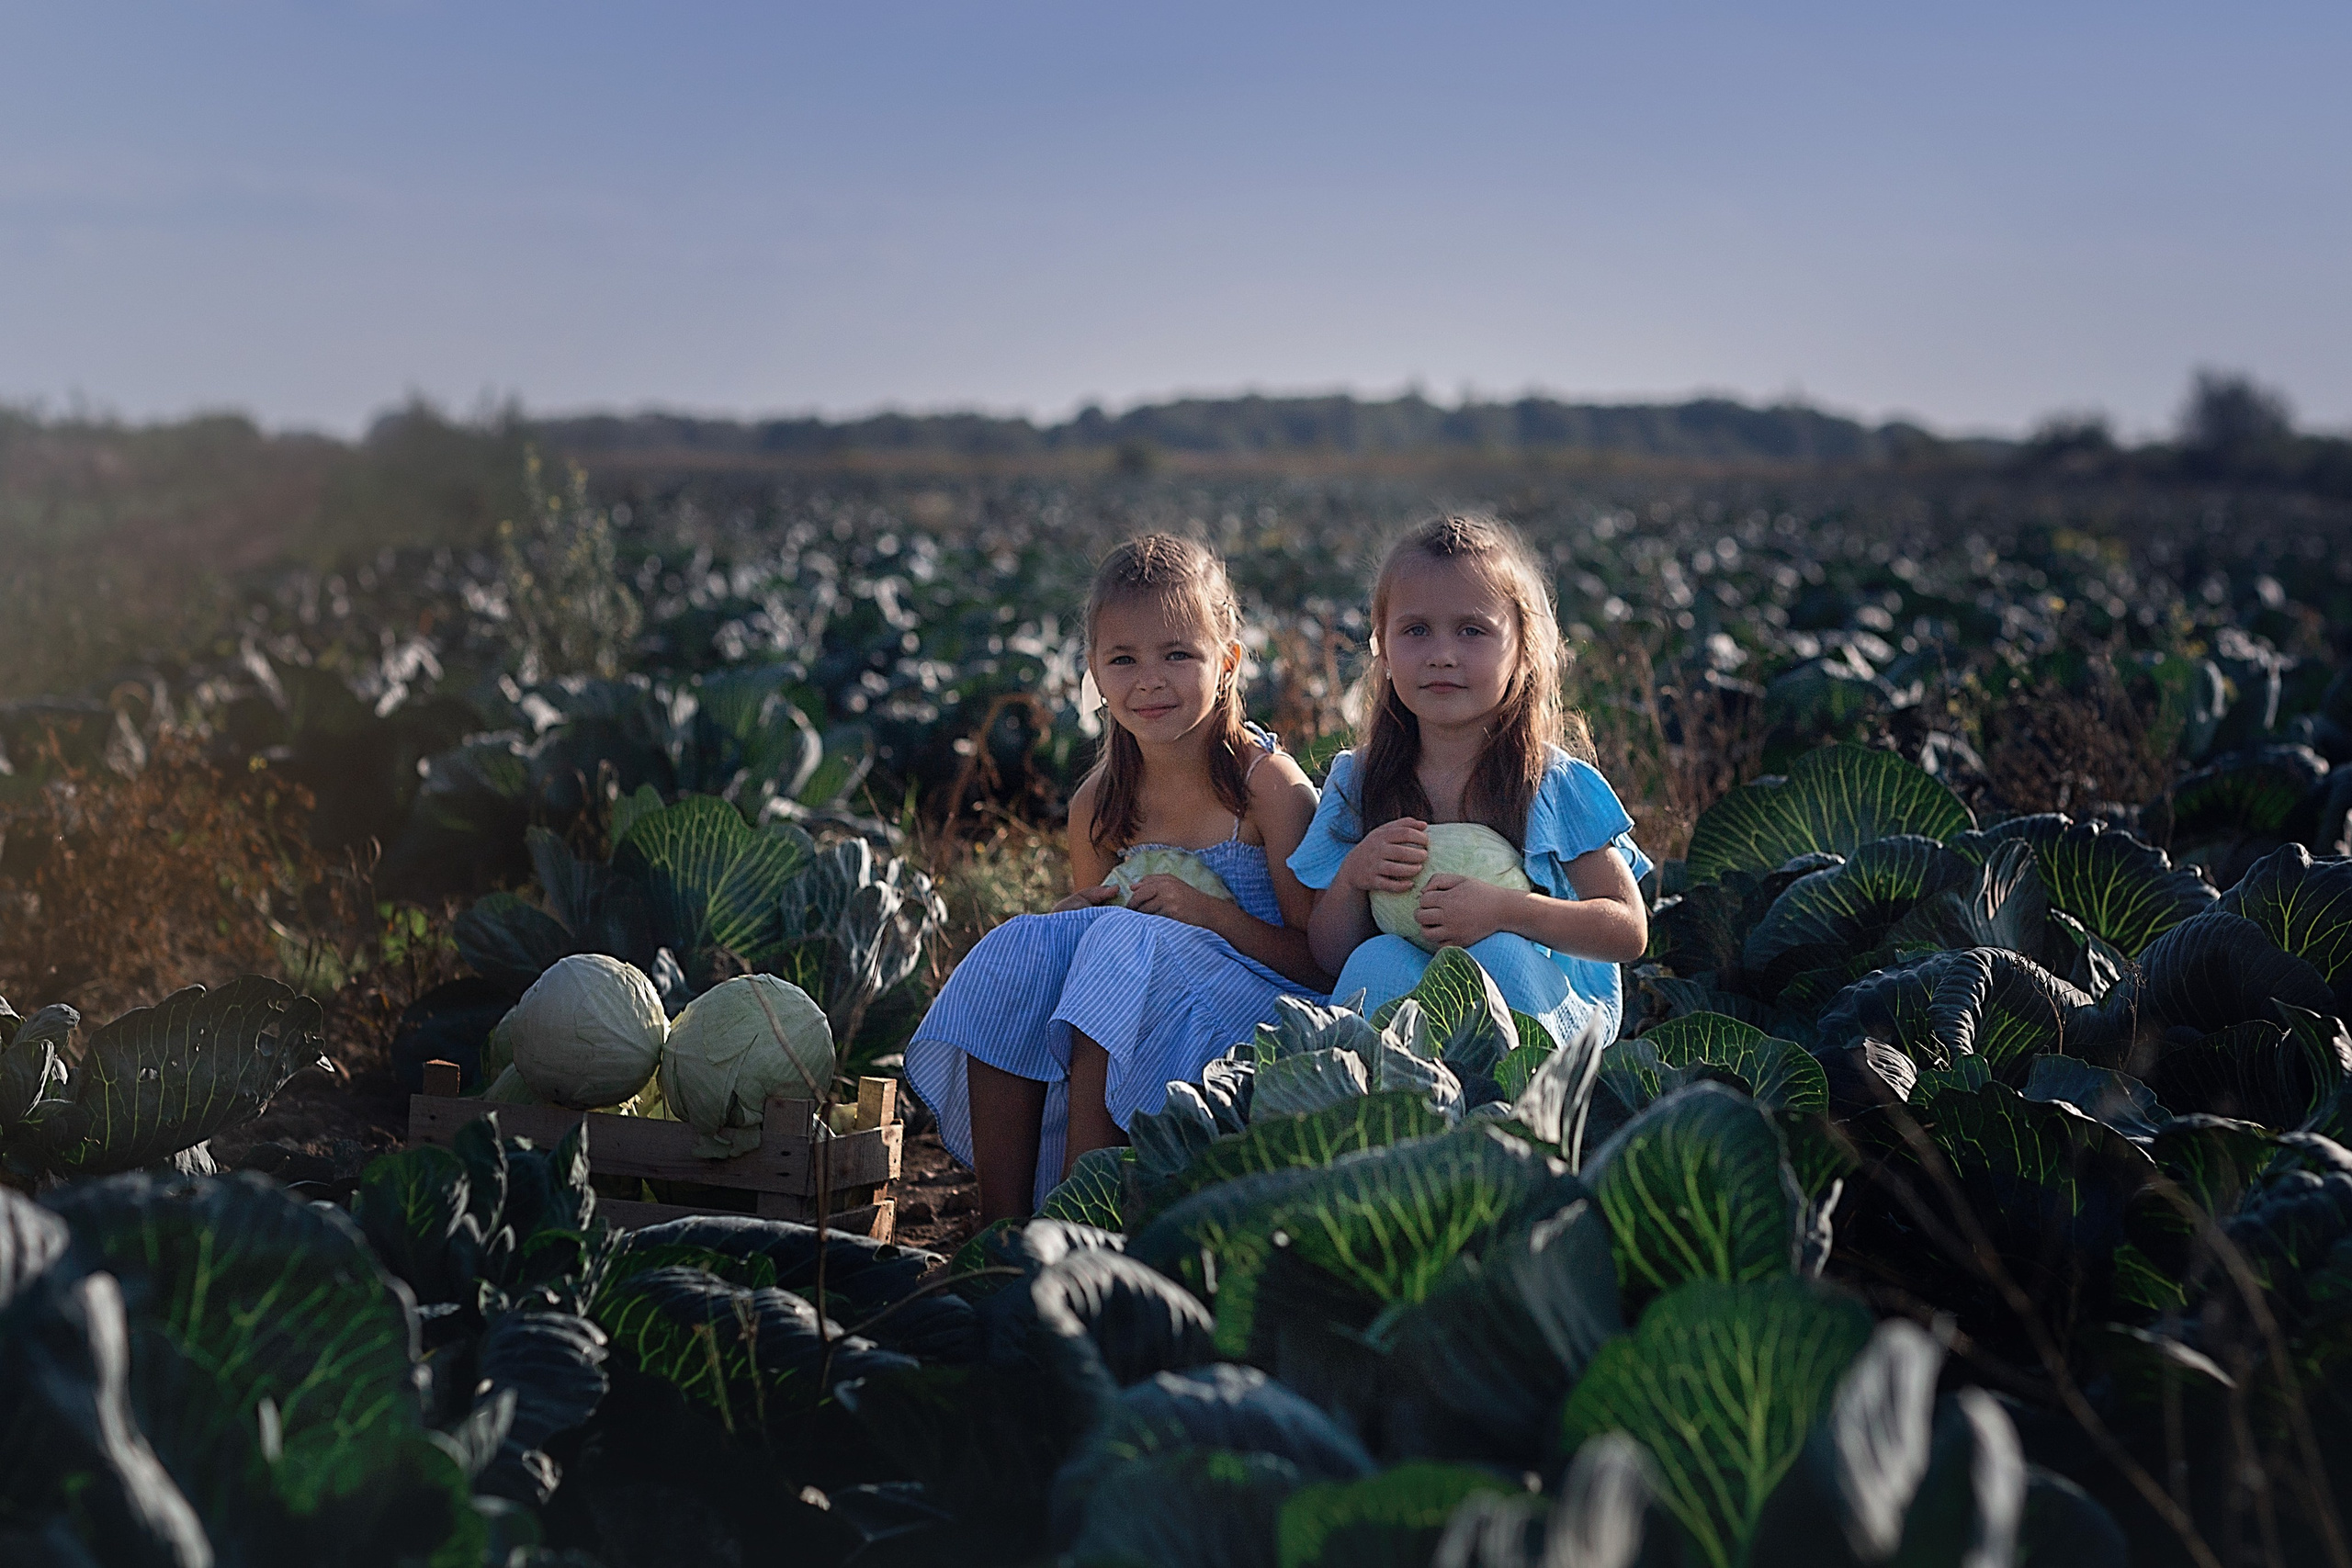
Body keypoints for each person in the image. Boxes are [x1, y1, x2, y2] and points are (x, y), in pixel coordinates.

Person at [903, 535, 1329, 1222]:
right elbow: (1091, 958)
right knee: (1022, 942)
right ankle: (1002, 1229)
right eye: (1123, 658)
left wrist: (1210, 914)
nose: (1148, 680)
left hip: (1254, 1031)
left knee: (1115, 946)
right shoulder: (1097, 808)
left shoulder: (1268, 789)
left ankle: (1082, 1219)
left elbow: (1321, 965)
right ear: (1095, 674)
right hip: (1136, 1015)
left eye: (1177, 654)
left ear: (1227, 663)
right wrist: (1074, 918)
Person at [1288, 514, 1651, 1045]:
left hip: (1544, 1006)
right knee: (1376, 958)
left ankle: (1519, 1109)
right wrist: (1353, 875)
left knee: (1497, 951)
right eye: (1415, 630)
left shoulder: (1550, 783)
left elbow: (1626, 929)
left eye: (1472, 630)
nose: (1442, 654)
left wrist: (1505, 911)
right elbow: (1328, 956)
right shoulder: (1357, 781)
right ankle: (1389, 1110)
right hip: (1411, 999)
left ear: (1524, 652)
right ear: (1382, 650)